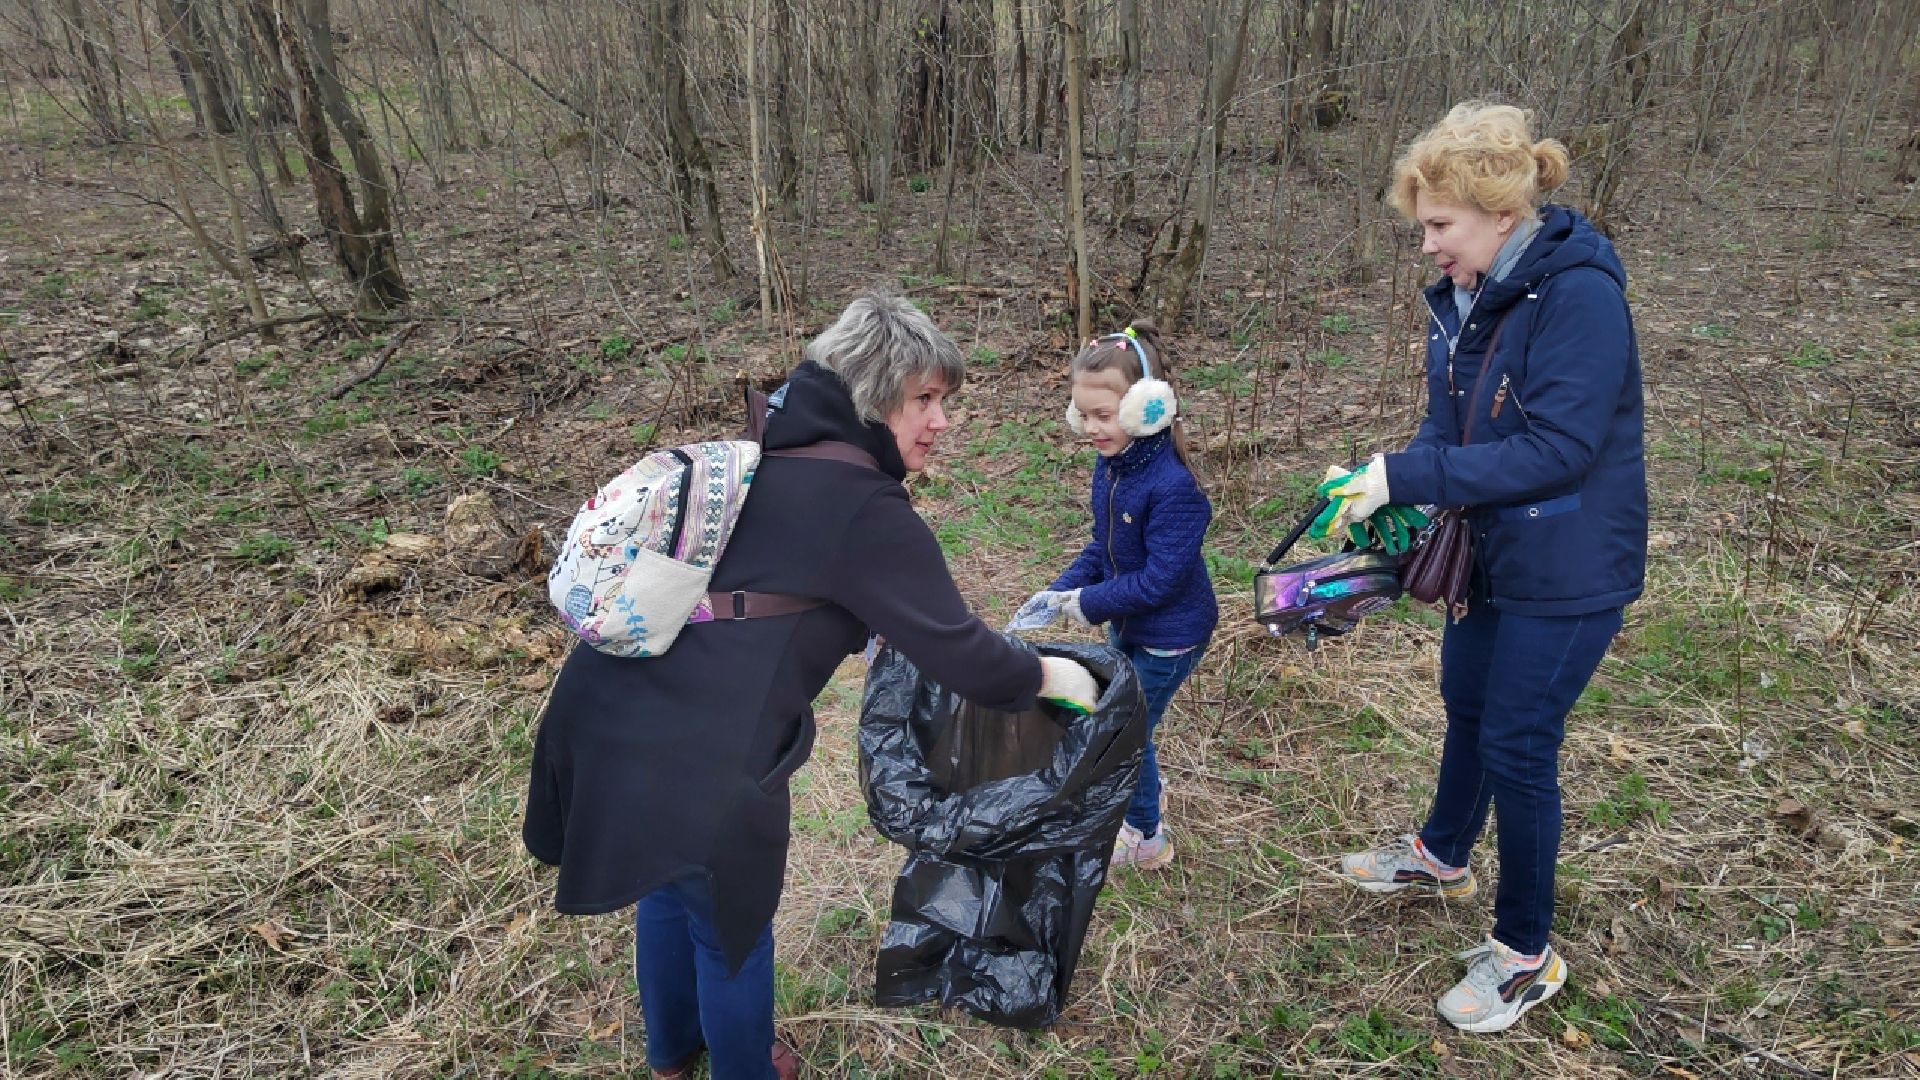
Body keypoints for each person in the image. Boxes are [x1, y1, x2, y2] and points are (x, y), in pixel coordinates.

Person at [522, 292, 1101, 1080]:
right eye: (923, 399)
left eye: (945, 401)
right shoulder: (863, 505)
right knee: (730, 933)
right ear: (870, 395)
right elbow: (966, 655)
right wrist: (1049, 674)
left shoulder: (765, 455)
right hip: (702, 757)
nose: (940, 421)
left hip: (606, 710)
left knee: (666, 889)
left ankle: (670, 1059)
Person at [1310, 102, 1647, 1034]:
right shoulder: (1464, 299)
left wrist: (1414, 472)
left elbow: (1559, 448)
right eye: (1423, 226)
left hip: (1570, 563)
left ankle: (1525, 954)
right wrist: (1388, 488)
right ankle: (1442, 850)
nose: (1427, 247)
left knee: (1519, 745)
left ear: (1501, 215)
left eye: (1439, 226)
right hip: (1493, 555)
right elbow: (1447, 433)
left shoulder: (1577, 295)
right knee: (1466, 700)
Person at [1012, 322, 1217, 871]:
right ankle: (1145, 787)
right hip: (1128, 624)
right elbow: (1103, 549)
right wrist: (1059, 593)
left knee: (1125, 730)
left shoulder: (1175, 488)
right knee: (1122, 721)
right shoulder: (1112, 468)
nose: (1091, 428)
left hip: (1169, 637)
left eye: (1104, 416)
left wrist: (1091, 603)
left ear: (1145, 409)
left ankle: (1147, 836)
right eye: (1084, 415)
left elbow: (1161, 580)